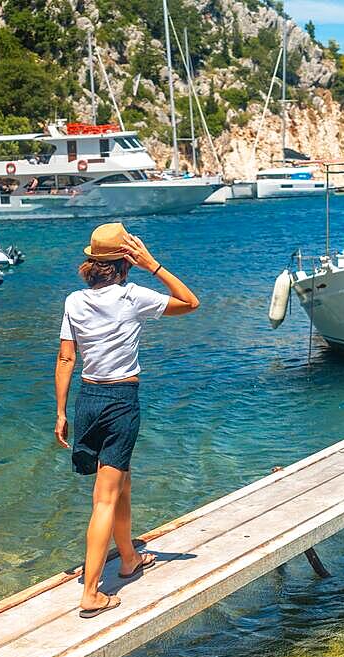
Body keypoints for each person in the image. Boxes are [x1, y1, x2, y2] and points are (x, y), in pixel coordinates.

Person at [54, 222, 199, 618]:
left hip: (86, 400)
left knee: (121, 484)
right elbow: (190, 302)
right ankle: (91, 593)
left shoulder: (73, 301)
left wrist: (62, 411)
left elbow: (67, 358)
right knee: (104, 499)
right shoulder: (132, 296)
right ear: (125, 261)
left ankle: (130, 558)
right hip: (120, 401)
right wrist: (154, 265)